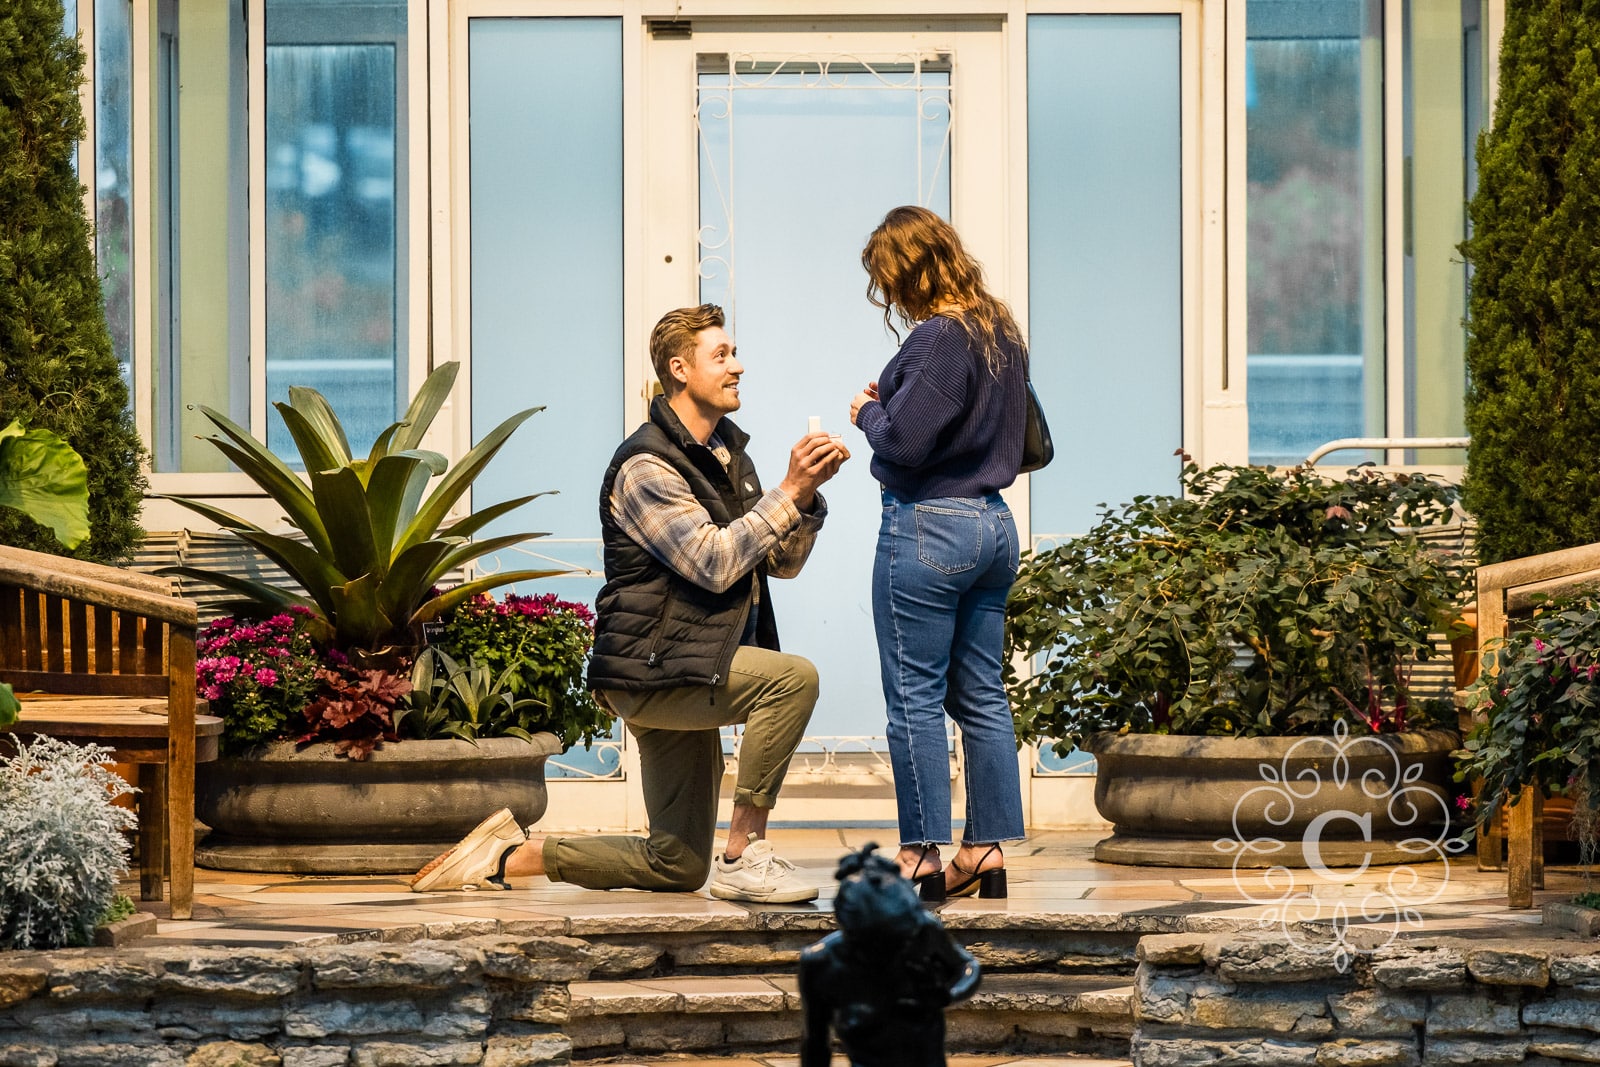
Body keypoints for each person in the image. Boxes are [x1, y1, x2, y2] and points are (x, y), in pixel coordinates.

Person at [412, 303, 849, 903]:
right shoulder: (647, 466)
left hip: (694, 660)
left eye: (735, 354)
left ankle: (509, 855)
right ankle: (747, 853)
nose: (738, 367)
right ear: (679, 369)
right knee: (792, 680)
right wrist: (788, 492)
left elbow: (780, 562)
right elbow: (716, 563)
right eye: (721, 355)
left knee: (676, 865)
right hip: (655, 667)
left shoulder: (726, 456)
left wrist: (806, 501)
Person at [848, 205, 1026, 901]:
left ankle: (920, 852)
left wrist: (867, 410)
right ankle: (983, 850)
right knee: (982, 693)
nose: (888, 294)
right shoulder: (999, 329)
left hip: (929, 526)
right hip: (994, 526)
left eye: (887, 278)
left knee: (914, 695)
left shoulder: (938, 337)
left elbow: (903, 443)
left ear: (909, 270)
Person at [798, 844, 980, 1067]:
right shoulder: (822, 963)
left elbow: (968, 967)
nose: (899, 946)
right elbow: (816, 1043)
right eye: (887, 942)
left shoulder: (921, 930)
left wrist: (949, 994)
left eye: (904, 936)